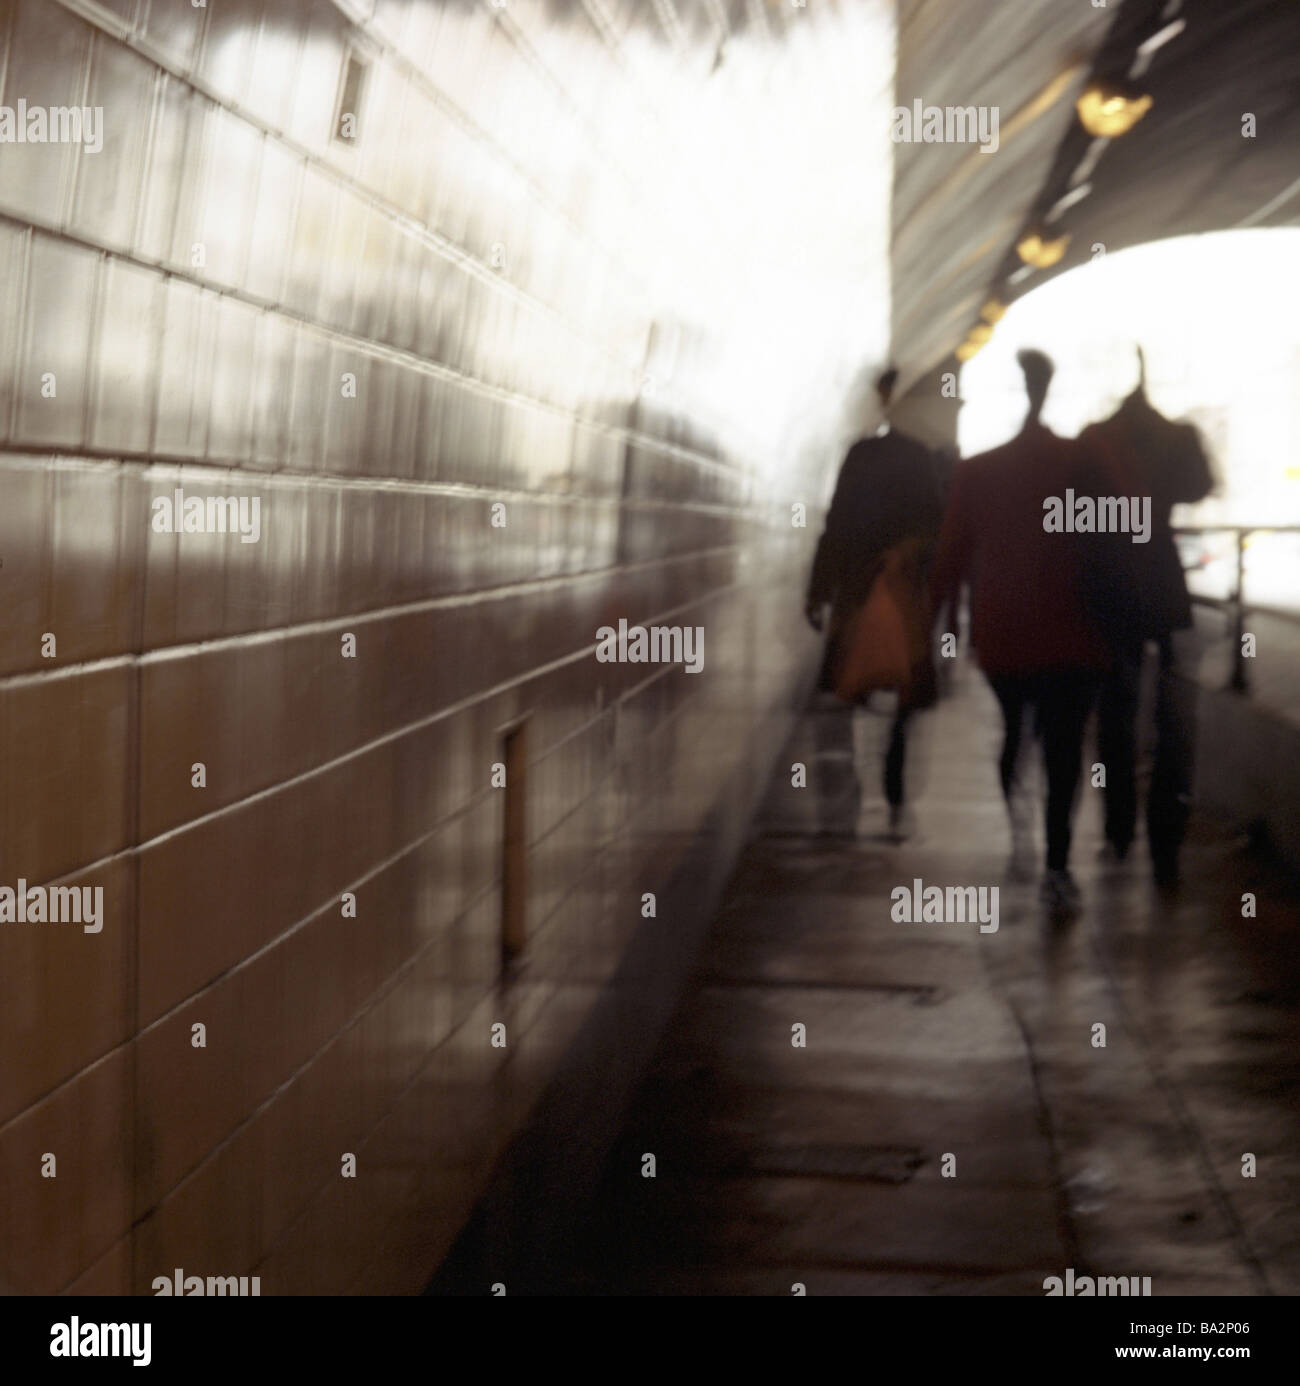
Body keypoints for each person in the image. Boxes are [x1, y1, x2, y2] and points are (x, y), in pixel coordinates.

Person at [931, 350, 1110, 913]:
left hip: (1005, 632)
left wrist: (936, 631)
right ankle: (1058, 868)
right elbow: (1118, 539)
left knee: (1016, 731)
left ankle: (1019, 832)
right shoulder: (1082, 462)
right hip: (1077, 632)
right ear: (1049, 389)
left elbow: (951, 557)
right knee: (1064, 750)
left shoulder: (979, 471)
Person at [1074, 349, 1214, 887]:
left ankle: (1117, 828)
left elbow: (1073, 512)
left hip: (1110, 585)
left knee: (1115, 708)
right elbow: (1199, 487)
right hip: (1160, 579)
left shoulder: (1096, 439)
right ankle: (1166, 839)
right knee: (1173, 717)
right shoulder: (1180, 438)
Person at [805, 367, 944, 838]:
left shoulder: (859, 456)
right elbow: (935, 527)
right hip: (900, 585)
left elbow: (836, 522)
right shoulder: (918, 457)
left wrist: (819, 589)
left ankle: (849, 797)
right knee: (904, 683)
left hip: (856, 586)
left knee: (847, 686)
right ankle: (894, 778)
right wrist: (910, 555)